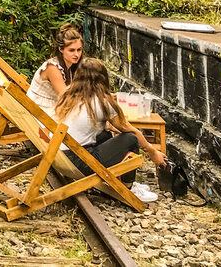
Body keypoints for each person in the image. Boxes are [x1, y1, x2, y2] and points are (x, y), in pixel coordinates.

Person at [55, 58, 164, 203]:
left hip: (60, 158)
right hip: (78, 163)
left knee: (104, 134)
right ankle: (128, 187)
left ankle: (116, 179)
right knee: (130, 139)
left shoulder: (69, 95)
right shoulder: (102, 102)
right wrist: (153, 152)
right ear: (103, 79)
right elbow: (132, 132)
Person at [26, 23, 84, 118]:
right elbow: (66, 99)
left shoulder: (71, 66)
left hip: (55, 107)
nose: (76, 54)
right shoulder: (53, 68)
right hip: (40, 111)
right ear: (61, 49)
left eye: (79, 50)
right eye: (71, 50)